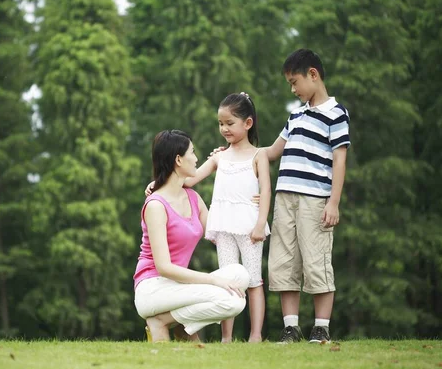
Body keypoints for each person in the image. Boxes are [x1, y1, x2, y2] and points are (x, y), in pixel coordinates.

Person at [209, 49, 348, 343]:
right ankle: (291, 327)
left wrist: (333, 201)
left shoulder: (336, 114)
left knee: (315, 260)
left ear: (313, 74)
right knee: (284, 261)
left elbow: (339, 159)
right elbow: (270, 152)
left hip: (315, 199)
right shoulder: (295, 115)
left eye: (294, 82)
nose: (293, 89)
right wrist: (232, 153)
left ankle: (321, 326)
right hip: (285, 199)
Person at [145, 94, 271, 343]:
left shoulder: (259, 156)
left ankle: (256, 335)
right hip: (223, 225)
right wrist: (156, 183)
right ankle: (227, 337)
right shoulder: (219, 157)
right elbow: (188, 179)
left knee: (254, 281)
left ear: (248, 123)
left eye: (229, 123)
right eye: (220, 123)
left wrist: (260, 224)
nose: (224, 128)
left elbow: (266, 190)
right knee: (226, 277)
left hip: (249, 226)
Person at [134, 129, 250, 343]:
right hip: (152, 288)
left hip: (177, 287)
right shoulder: (156, 205)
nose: (197, 158)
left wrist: (251, 204)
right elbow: (164, 268)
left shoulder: (193, 198)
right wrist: (214, 280)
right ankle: (162, 321)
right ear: (178, 159)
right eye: (193, 152)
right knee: (233, 302)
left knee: (240, 274)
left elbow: (220, 230)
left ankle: (177, 325)